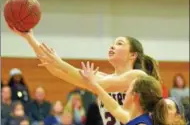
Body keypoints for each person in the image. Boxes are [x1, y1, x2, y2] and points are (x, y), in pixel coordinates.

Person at [10, 28, 159, 125]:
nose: (112, 46)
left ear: (133, 55)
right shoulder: (100, 78)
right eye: (112, 43)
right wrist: (30, 38)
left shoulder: (138, 77)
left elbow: (98, 83)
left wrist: (61, 63)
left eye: (119, 43)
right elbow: (55, 70)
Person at [79, 63, 186, 125]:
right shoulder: (136, 118)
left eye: (128, 89)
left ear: (135, 96)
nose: (124, 93)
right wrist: (93, 84)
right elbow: (114, 107)